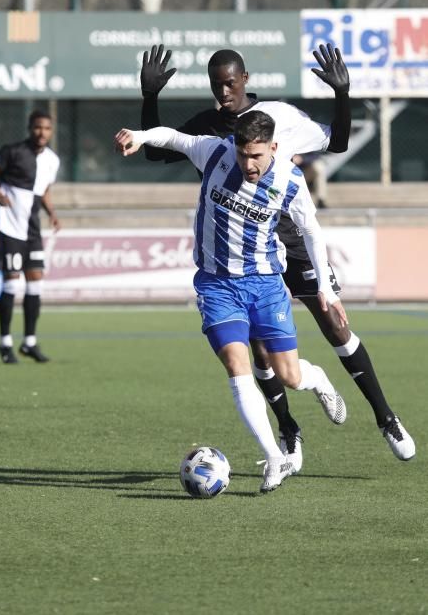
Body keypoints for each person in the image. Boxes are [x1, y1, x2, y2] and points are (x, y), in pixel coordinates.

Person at [139, 43, 416, 463]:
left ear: (245, 79)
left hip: (288, 239)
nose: (224, 92)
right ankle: (288, 429)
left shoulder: (279, 117)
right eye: (217, 85)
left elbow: (336, 141)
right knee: (260, 351)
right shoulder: (208, 127)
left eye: (230, 83)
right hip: (241, 256)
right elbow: (154, 149)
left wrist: (343, 95)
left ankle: (386, 417)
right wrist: (150, 98)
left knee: (335, 325)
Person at [115, 111, 348, 493]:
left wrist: (326, 286)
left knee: (288, 375)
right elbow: (174, 137)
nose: (248, 163)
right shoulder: (214, 153)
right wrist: (140, 135)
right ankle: (274, 456)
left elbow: (310, 230)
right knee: (237, 367)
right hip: (217, 285)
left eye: (256, 155)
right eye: (242, 155)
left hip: (266, 285)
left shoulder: (290, 181)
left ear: (274, 148)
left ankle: (317, 378)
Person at [0, 109, 60, 364]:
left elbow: (43, 190)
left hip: (32, 229)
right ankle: (5, 344)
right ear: (30, 128)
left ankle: (29, 342)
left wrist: (52, 213)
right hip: (9, 227)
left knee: (36, 282)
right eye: (37, 127)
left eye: (46, 128)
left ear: (51, 131)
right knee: (12, 284)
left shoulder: (52, 160)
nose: (42, 132)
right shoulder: (12, 151)